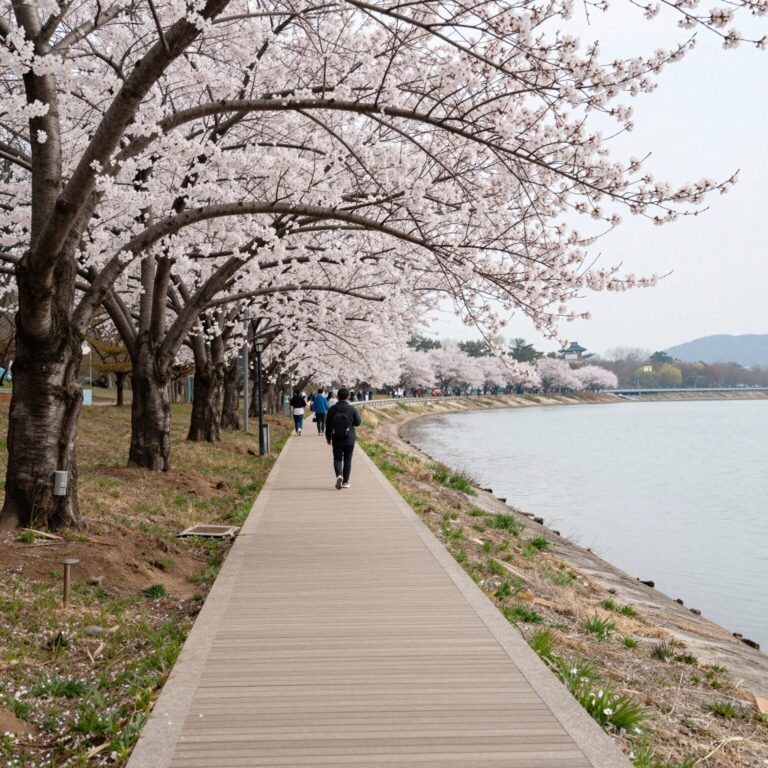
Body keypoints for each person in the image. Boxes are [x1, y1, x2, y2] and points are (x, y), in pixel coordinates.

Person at [326, 388, 362, 489]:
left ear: (337, 397)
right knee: (348, 459)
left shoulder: (332, 409)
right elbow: (358, 423)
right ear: (347, 397)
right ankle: (345, 482)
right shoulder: (352, 409)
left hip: (336, 438)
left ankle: (339, 475)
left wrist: (328, 437)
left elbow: (328, 425)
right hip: (349, 438)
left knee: (337, 459)